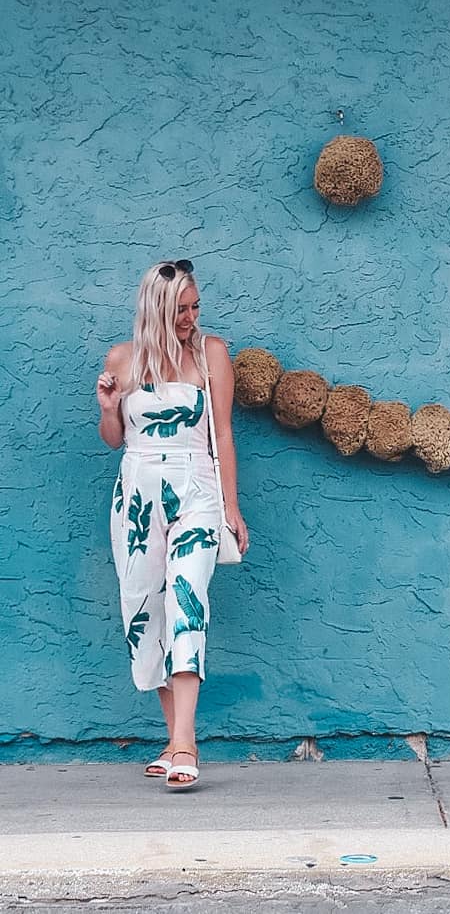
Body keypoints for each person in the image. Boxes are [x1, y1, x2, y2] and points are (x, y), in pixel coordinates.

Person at [96, 259, 249, 789]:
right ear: (156, 309)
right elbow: (114, 439)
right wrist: (110, 409)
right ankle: (178, 739)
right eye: (181, 310)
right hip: (137, 493)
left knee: (187, 601)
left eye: (195, 307)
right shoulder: (123, 359)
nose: (191, 317)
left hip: (196, 490)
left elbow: (223, 435)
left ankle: (184, 744)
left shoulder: (211, 355)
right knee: (146, 609)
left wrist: (231, 506)